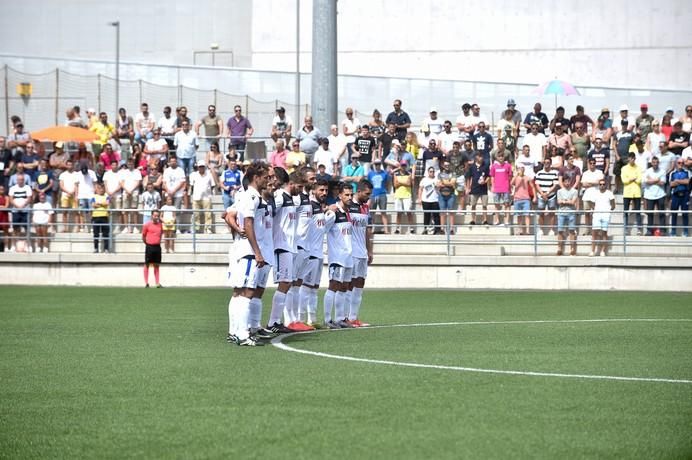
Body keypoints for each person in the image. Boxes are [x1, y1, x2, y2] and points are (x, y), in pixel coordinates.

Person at [226, 163, 274, 346]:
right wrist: (257, 252)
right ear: (256, 177)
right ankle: (243, 334)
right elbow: (248, 224)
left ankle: (235, 332)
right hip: (248, 252)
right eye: (265, 177)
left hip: (245, 250)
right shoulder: (251, 196)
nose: (267, 180)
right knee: (247, 291)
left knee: (240, 292)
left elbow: (232, 216)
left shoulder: (249, 195)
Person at [267, 168, 305, 333]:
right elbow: (269, 214)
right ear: (291, 183)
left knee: (287, 283)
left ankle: (275, 322)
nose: (301, 190)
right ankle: (273, 322)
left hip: (289, 246)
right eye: (300, 186)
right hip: (281, 246)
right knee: (284, 283)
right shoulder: (280, 197)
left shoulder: (290, 198)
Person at [323, 183, 355, 329]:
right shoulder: (333, 212)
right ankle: (328, 319)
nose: (349, 197)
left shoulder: (348, 212)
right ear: (339, 195)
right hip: (337, 257)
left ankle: (340, 318)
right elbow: (321, 228)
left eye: (351, 194)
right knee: (333, 286)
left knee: (344, 287)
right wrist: (325, 210)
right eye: (346, 195)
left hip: (348, 257)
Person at [299, 178, 329, 327]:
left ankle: (312, 319)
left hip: (318, 254)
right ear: (313, 191)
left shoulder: (319, 207)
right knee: (305, 287)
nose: (324, 193)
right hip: (309, 253)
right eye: (321, 190)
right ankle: (300, 319)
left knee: (314, 288)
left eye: (325, 190)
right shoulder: (309, 206)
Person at [347, 180, 374, 327]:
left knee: (360, 283)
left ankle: (354, 317)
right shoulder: (349, 206)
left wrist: (369, 250)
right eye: (367, 194)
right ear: (359, 191)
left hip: (362, 252)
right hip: (351, 252)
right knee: (349, 284)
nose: (369, 197)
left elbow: (366, 230)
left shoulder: (365, 207)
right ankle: (344, 317)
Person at [534, 158, 559, 235]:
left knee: (552, 213)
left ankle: (552, 230)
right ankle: (541, 230)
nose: (546, 164)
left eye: (548, 162)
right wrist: (542, 194)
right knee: (540, 213)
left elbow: (555, 185)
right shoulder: (539, 173)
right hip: (541, 196)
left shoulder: (554, 173)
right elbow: (537, 185)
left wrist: (547, 193)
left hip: (551, 195)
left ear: (550, 163)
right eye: (545, 162)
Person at [643, 156, 667, 236]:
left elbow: (663, 183)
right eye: (653, 162)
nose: (655, 164)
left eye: (656, 162)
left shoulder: (662, 171)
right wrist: (657, 180)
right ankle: (649, 231)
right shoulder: (647, 171)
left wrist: (651, 180)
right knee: (650, 214)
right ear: (651, 163)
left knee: (661, 213)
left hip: (660, 195)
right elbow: (645, 181)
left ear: (658, 163)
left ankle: (663, 231)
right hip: (649, 195)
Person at [591, 180, 615, 257]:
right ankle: (592, 251)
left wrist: (608, 211)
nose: (602, 185)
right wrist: (595, 210)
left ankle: (602, 251)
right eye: (600, 184)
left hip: (605, 215)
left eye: (603, 184)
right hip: (597, 214)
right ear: (598, 185)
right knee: (594, 233)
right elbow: (592, 204)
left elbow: (613, 204)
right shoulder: (595, 193)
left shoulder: (609, 193)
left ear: (606, 185)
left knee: (604, 233)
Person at [580, 158, 605, 235]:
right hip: (587, 196)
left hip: (597, 196)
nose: (592, 165)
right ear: (589, 164)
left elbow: (600, 182)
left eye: (594, 163)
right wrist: (594, 183)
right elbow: (583, 184)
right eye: (591, 163)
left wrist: (589, 183)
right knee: (587, 214)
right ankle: (587, 229)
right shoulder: (585, 173)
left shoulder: (599, 172)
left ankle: (597, 230)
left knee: (597, 214)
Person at [8, 173, 32, 251]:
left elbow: (29, 199)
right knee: (15, 229)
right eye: (19, 179)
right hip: (15, 211)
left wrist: (23, 206)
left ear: (24, 180)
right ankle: (13, 245)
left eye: (22, 179)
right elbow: (11, 199)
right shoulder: (12, 188)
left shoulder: (27, 187)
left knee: (27, 229)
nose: (20, 181)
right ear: (16, 180)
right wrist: (18, 207)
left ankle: (28, 246)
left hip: (25, 211)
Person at [620, 152, 643, 235]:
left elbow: (639, 180)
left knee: (638, 211)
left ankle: (639, 229)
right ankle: (625, 229)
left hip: (636, 192)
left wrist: (629, 179)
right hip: (627, 192)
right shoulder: (624, 168)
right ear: (628, 159)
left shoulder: (639, 168)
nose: (632, 160)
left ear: (635, 159)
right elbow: (624, 180)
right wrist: (633, 178)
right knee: (625, 211)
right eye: (630, 158)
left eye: (633, 158)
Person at [556, 174, 578, 256]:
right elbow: (559, 202)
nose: (567, 183)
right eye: (565, 182)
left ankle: (572, 249)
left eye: (568, 181)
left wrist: (564, 201)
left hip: (571, 213)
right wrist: (567, 201)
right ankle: (559, 249)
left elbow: (573, 202)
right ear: (563, 182)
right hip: (561, 213)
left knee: (572, 231)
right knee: (560, 231)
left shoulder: (574, 191)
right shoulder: (559, 191)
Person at [488, 151, 512, 227]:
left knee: (507, 204)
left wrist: (510, 186)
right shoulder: (494, 166)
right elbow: (492, 177)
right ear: (497, 157)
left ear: (504, 157)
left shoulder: (508, 165)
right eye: (499, 156)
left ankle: (506, 220)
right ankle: (496, 220)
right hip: (497, 188)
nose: (501, 157)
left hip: (505, 187)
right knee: (496, 204)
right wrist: (492, 186)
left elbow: (510, 176)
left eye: (502, 156)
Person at [118, 158, 142, 233]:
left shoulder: (137, 171)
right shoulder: (123, 172)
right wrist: (127, 190)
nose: (130, 165)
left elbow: (138, 182)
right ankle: (126, 227)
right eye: (129, 163)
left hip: (134, 192)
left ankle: (135, 227)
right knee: (125, 210)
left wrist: (131, 190)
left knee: (134, 210)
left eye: (131, 163)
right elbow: (121, 182)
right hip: (126, 192)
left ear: (133, 164)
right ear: (127, 164)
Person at [142, 209, 164, 288]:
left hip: (157, 247)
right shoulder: (147, 225)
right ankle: (146, 283)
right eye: (155, 215)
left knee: (156, 265)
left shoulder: (160, 225)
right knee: (147, 264)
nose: (156, 217)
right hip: (149, 246)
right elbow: (143, 236)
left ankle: (157, 283)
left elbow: (160, 234)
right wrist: (148, 243)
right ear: (152, 216)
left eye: (157, 216)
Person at [466, 152, 489, 225]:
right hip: (474, 189)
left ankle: (485, 220)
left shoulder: (485, 166)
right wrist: (468, 187)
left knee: (484, 205)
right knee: (473, 205)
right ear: (476, 157)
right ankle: (473, 220)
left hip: (483, 189)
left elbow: (489, 176)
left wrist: (485, 182)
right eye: (479, 156)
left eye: (482, 156)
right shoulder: (472, 167)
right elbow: (468, 178)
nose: (481, 158)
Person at [668, 158, 690, 237]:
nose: (680, 164)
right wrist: (682, 181)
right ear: (676, 163)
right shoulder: (672, 173)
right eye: (679, 163)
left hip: (685, 195)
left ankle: (685, 231)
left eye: (682, 163)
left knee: (685, 214)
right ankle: (673, 231)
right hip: (675, 195)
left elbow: (687, 181)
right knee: (674, 214)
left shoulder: (687, 172)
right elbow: (671, 184)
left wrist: (677, 181)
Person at [367, 160, 390, 234]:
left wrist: (385, 190)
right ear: (374, 165)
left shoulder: (385, 173)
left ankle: (386, 230)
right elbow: (368, 184)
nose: (377, 165)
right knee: (372, 213)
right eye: (376, 164)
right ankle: (372, 229)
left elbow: (388, 183)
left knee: (383, 212)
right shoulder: (370, 174)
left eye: (379, 164)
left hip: (382, 194)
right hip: (373, 195)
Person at [393, 160, 415, 234]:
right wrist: (404, 183)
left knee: (408, 212)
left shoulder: (409, 173)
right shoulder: (396, 174)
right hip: (398, 195)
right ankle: (397, 229)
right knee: (398, 213)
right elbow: (395, 185)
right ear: (400, 166)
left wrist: (400, 182)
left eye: (404, 165)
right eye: (402, 165)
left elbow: (409, 183)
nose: (403, 167)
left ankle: (411, 229)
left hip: (407, 195)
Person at [512, 166, 534, 235]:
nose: (521, 170)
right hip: (517, 199)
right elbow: (511, 183)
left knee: (527, 215)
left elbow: (532, 187)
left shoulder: (527, 178)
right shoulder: (515, 177)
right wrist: (516, 175)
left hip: (526, 199)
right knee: (519, 215)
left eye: (522, 169)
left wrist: (535, 196)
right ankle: (520, 230)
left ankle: (527, 230)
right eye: (520, 169)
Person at [436, 160, 457, 232]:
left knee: (451, 212)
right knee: (442, 212)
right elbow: (439, 185)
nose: (447, 166)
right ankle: (442, 228)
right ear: (443, 166)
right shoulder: (440, 174)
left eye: (448, 165)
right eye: (445, 165)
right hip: (441, 195)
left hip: (450, 195)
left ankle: (452, 229)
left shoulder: (453, 173)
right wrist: (449, 182)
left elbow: (453, 183)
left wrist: (444, 182)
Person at [418, 166, 441, 235]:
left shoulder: (437, 179)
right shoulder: (424, 180)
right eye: (430, 171)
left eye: (433, 171)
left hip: (435, 200)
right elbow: (420, 189)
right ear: (428, 172)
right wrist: (419, 198)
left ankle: (437, 230)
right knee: (426, 215)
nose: (432, 173)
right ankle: (425, 229)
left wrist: (438, 186)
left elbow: (440, 187)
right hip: (426, 200)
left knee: (436, 216)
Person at [76, 163, 97, 233]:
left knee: (92, 211)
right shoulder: (78, 174)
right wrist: (76, 195)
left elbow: (95, 184)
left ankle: (92, 227)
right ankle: (82, 227)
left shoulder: (92, 173)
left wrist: (95, 194)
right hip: (81, 195)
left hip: (90, 195)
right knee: (81, 211)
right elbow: (76, 185)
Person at [90, 182, 110, 253]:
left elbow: (107, 203)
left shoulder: (106, 196)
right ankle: (96, 248)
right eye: (99, 188)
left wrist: (99, 204)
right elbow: (93, 204)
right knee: (96, 234)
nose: (101, 190)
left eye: (102, 188)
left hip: (104, 216)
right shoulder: (94, 196)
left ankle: (106, 249)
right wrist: (102, 204)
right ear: (97, 189)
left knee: (105, 234)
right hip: (96, 217)